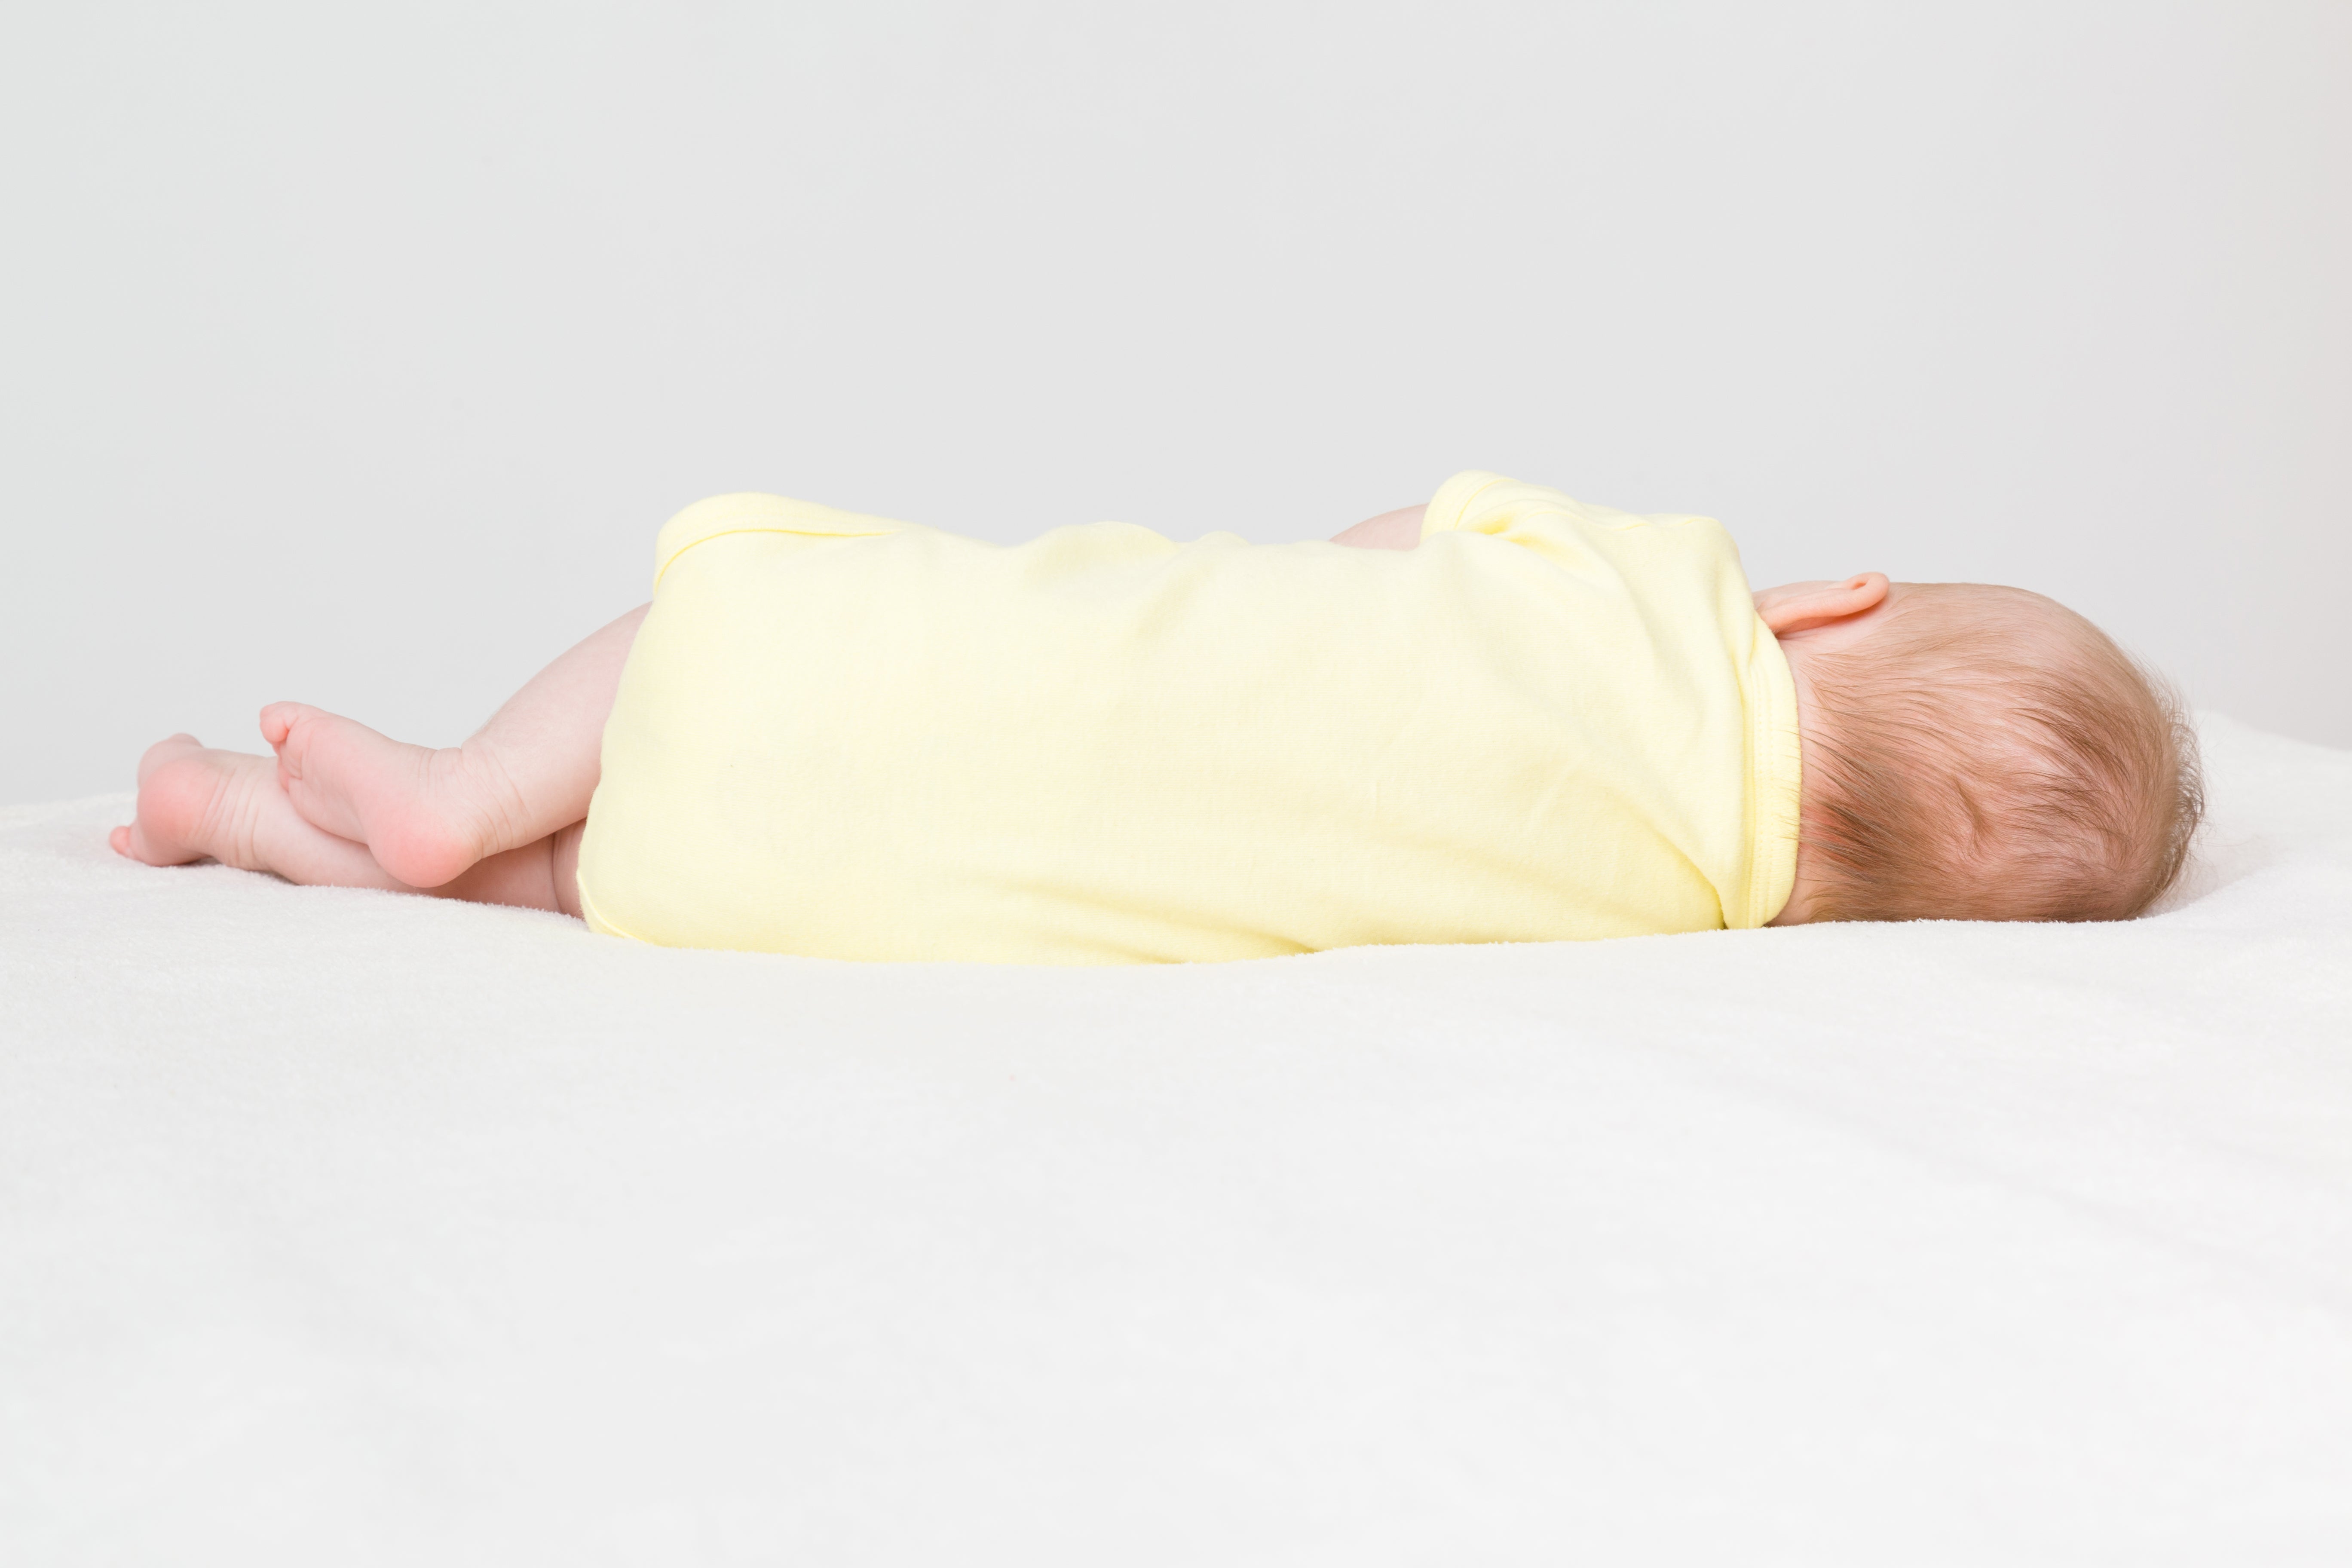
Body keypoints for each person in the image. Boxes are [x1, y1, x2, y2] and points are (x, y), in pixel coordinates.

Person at [110, 472, 2202, 962]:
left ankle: (453, 781)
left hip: (885, 675)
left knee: (709, 630)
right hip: (820, 890)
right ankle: (236, 813)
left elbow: (1388, 539)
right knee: (592, 875)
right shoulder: (1679, 917)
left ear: (1836, 608)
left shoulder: (1667, 598)